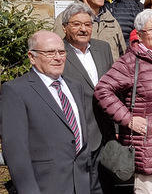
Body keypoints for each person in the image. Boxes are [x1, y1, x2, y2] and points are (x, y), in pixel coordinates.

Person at [94, 9, 152, 194]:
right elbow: (102, 90)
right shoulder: (130, 62)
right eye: (151, 29)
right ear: (140, 34)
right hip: (146, 143)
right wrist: (128, 119)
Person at [0, 30, 91, 194]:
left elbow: (81, 141)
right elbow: (15, 150)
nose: (58, 58)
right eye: (50, 52)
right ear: (31, 57)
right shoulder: (15, 91)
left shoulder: (75, 87)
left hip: (81, 185)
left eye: (62, 52)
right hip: (44, 186)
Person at [60, 2, 116, 194]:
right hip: (77, 135)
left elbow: (112, 88)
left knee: (106, 186)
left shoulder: (103, 48)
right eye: (76, 24)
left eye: (88, 24)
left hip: (105, 132)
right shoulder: (58, 53)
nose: (83, 29)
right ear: (64, 27)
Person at [53, 0, 127, 61]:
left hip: (110, 74)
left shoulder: (111, 20)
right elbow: (58, 52)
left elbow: (123, 55)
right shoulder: (66, 18)